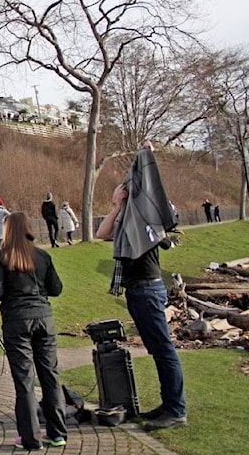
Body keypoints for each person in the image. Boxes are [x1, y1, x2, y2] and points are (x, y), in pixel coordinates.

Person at [96, 141, 187, 431]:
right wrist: (117, 205)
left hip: (148, 288)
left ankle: (176, 409)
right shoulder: (127, 219)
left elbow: (154, 193)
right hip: (137, 290)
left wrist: (147, 155)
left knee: (164, 350)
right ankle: (168, 404)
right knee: (157, 350)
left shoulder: (145, 217)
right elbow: (102, 233)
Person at [0, 212, 67, 451]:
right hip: (43, 318)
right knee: (50, 375)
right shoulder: (42, 256)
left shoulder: (3, 257)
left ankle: (31, 437)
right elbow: (56, 288)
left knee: (24, 381)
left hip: (17, 321)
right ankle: (58, 433)